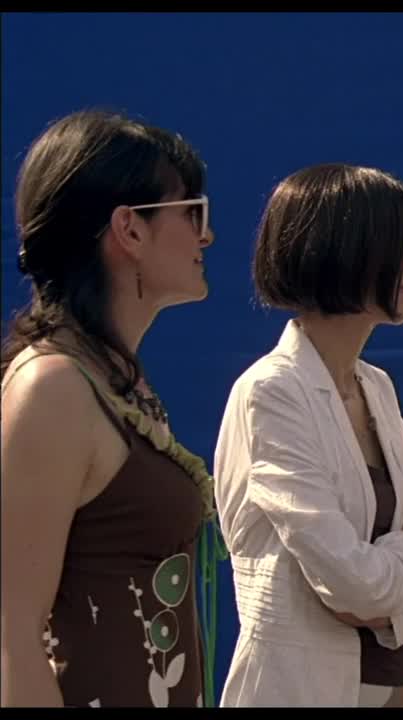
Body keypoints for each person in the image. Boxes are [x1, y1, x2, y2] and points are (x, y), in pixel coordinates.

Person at [0, 110, 218, 707]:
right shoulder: (52, 388)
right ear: (130, 229)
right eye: (193, 212)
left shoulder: (113, 379)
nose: (206, 236)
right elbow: (12, 637)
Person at [213, 164, 403, 707]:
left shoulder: (376, 386)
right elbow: (351, 585)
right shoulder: (271, 392)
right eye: (398, 245)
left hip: (401, 693)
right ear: (346, 252)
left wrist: (394, 568)